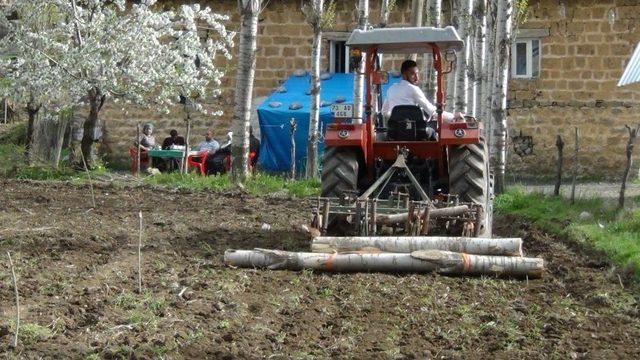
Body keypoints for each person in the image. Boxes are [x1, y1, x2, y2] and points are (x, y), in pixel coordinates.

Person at [381, 59, 464, 125]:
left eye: (417, 74)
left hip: (394, 132)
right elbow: (432, 111)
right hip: (414, 133)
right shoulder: (413, 89)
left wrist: (396, 118)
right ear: (404, 75)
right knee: (433, 133)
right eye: (413, 74)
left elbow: (384, 112)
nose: (417, 78)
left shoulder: (391, 89)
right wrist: (453, 117)